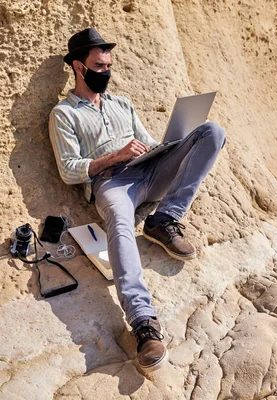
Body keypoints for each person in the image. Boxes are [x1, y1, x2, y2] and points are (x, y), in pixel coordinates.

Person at [48, 28, 225, 371]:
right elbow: (69, 171)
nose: (106, 72)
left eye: (109, 65)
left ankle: (163, 219)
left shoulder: (122, 104)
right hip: (112, 183)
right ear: (78, 67)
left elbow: (146, 142)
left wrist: (169, 147)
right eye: (99, 66)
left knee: (212, 132)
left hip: (150, 170)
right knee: (119, 220)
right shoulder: (64, 114)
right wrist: (114, 156)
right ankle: (144, 323)